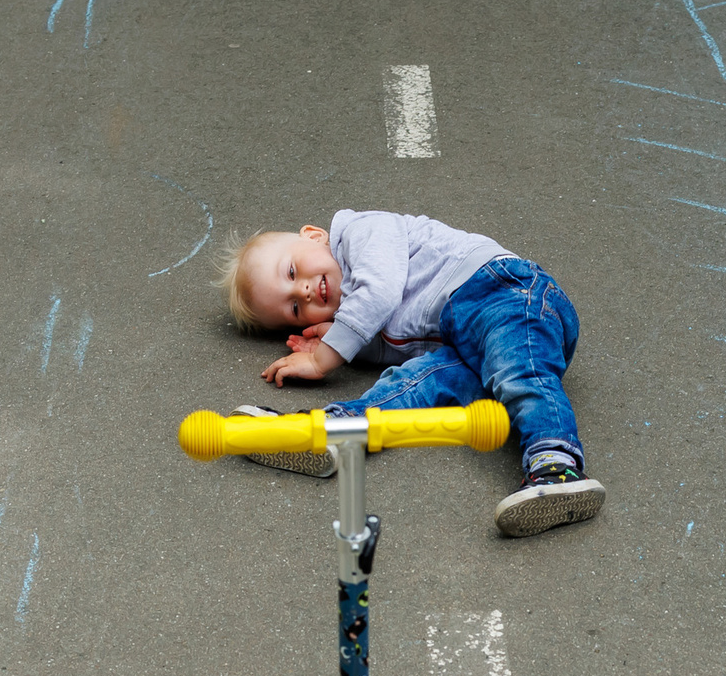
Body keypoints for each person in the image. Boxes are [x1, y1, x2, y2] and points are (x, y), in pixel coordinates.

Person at [217, 211, 605, 538]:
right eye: (294, 310)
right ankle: (332, 430)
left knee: (520, 374)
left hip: (506, 292)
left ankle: (558, 466)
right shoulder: (353, 301)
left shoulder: (362, 232)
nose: (302, 291)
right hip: (464, 343)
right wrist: (348, 343)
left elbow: (381, 293)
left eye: (291, 271)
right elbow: (397, 343)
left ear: (315, 236)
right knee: (413, 384)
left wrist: (325, 357)